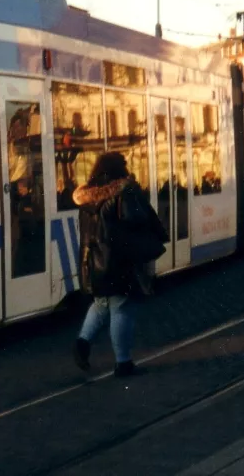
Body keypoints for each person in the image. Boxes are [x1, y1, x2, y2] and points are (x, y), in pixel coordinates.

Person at [72, 152, 167, 378]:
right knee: (122, 307)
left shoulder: (86, 197)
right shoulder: (124, 192)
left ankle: (82, 344)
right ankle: (123, 363)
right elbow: (137, 220)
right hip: (118, 261)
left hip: (93, 263)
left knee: (101, 304)